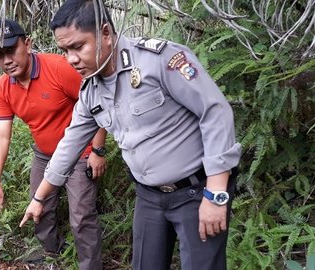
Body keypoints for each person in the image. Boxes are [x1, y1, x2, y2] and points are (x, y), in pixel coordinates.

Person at [19, 1, 242, 269]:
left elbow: (215, 112)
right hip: (149, 196)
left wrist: (216, 194)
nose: (71, 59)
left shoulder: (159, 61)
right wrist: (39, 198)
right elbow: (69, 146)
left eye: (78, 47)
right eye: (64, 50)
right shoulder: (91, 90)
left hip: (197, 191)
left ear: (105, 33)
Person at [0, 19, 107, 270]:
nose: (6, 60)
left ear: (27, 44)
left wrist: (97, 149)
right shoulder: (2, 88)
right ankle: (53, 254)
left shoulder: (59, 69)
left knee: (82, 217)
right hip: (44, 154)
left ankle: (90, 266)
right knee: (38, 207)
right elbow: (1, 135)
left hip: (80, 152)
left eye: (11, 50)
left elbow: (98, 102)